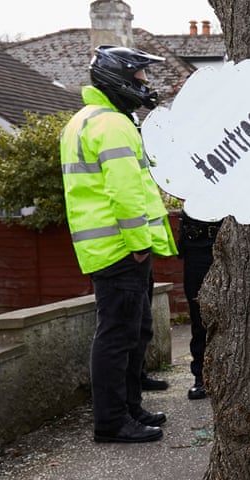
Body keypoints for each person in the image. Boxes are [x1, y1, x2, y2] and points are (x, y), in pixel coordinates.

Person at [59, 46, 172, 444]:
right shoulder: (113, 125)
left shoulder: (83, 120)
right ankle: (111, 422)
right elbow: (124, 193)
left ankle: (130, 408)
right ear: (118, 78)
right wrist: (140, 244)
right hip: (121, 247)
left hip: (108, 246)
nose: (145, 83)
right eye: (140, 76)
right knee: (117, 336)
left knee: (132, 331)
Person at [178, 211, 225, 400]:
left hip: (224, 241)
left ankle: (223, 374)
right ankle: (202, 377)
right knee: (200, 317)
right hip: (196, 244)